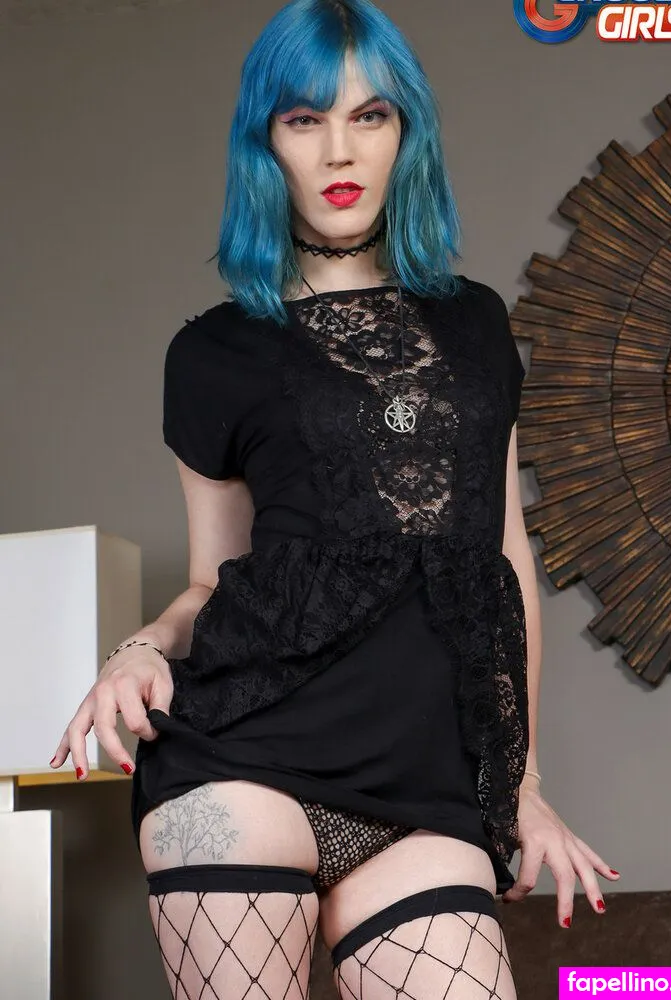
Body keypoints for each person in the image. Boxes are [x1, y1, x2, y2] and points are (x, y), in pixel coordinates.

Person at [50, 1, 621, 996]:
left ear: (407, 133)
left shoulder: (478, 326)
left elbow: (504, 561)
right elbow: (213, 581)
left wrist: (522, 786)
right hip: (244, 757)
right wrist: (137, 649)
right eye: (304, 120)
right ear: (265, 143)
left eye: (370, 115)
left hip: (424, 786)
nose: (339, 150)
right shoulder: (213, 353)